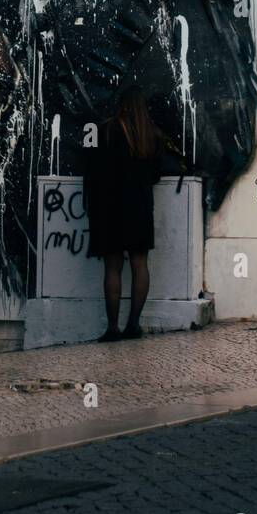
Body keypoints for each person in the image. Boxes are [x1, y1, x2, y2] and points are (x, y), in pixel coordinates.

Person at [84, 86, 167, 341]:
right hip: (139, 206)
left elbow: (94, 168)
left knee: (113, 268)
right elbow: (156, 175)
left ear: (122, 105)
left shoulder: (107, 130)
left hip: (110, 207)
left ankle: (112, 327)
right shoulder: (151, 134)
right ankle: (134, 325)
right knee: (139, 264)